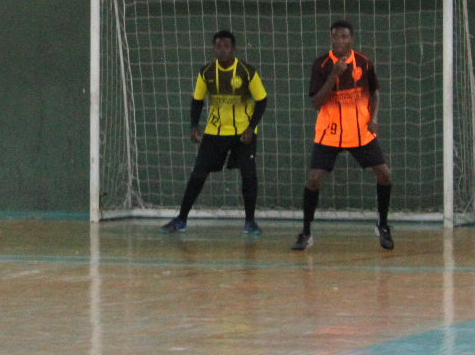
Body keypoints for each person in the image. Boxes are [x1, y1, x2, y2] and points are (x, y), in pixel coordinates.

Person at [292, 20, 394, 252]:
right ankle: (306, 232)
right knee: (313, 179)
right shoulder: (321, 64)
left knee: (384, 175)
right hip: (330, 132)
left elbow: (375, 93)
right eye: (335, 36)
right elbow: (316, 103)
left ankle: (383, 225)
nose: (339, 41)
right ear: (330, 39)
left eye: (344, 37)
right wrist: (334, 76)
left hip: (359, 131)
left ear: (352, 40)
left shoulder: (364, 62)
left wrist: (374, 118)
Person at [161, 30, 268, 237]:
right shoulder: (206, 72)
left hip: (243, 133)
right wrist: (194, 126)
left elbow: (262, 100)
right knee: (198, 173)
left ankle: (250, 222)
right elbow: (197, 101)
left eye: (226, 46)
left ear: (233, 49)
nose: (222, 50)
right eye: (218, 46)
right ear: (214, 49)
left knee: (248, 175)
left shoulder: (247, 71)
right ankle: (181, 219)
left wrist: (250, 128)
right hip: (215, 131)